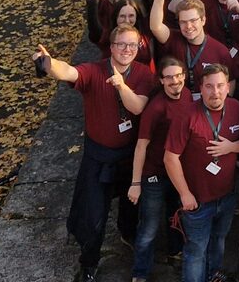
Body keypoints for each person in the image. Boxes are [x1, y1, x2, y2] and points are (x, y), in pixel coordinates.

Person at [33, 27, 153, 282]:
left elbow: (138, 106)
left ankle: (127, 233)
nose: (127, 50)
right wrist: (49, 63)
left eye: (132, 45)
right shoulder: (95, 70)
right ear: (111, 47)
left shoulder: (143, 74)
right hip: (99, 157)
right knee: (93, 214)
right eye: (121, 44)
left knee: (132, 205)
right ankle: (89, 263)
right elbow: (69, 71)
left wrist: (121, 86)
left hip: (131, 155)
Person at [164, 63, 239, 282]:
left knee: (219, 239)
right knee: (196, 251)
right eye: (209, 86)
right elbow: (170, 158)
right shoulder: (186, 115)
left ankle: (214, 276)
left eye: (220, 85)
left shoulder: (236, 108)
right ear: (200, 89)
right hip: (197, 200)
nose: (215, 92)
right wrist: (184, 194)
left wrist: (231, 147)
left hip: (227, 194)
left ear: (228, 87)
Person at [128, 57, 191, 282]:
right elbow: (141, 145)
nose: (175, 81)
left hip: (176, 169)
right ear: (161, 80)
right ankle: (140, 272)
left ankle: (175, 251)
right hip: (154, 173)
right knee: (149, 226)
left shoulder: (187, 95)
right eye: (169, 78)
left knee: (176, 215)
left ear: (184, 75)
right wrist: (136, 183)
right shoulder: (155, 108)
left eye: (178, 76)